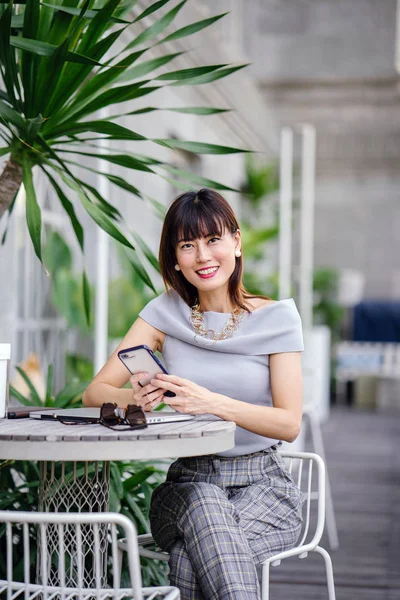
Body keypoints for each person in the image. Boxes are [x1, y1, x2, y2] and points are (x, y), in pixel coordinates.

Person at [83, 188, 304, 600]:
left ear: (236, 242)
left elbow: (289, 424)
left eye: (213, 240)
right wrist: (137, 400)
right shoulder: (165, 313)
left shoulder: (278, 319)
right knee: (203, 500)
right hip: (186, 484)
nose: (202, 256)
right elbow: (94, 392)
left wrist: (211, 403)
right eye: (187, 245)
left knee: (187, 560)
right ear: (174, 259)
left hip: (264, 488)